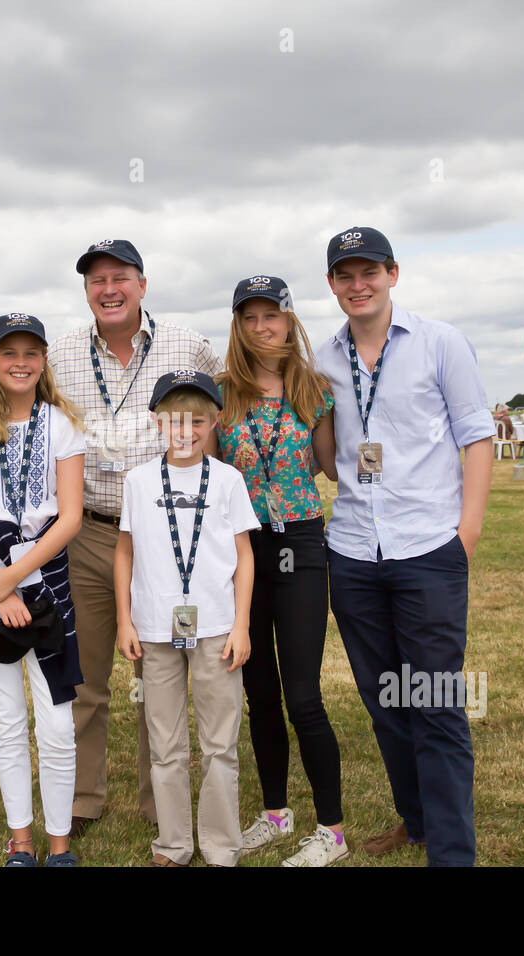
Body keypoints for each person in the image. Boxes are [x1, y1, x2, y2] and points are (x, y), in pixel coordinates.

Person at [314, 227, 494, 866]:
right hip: (355, 551)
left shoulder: (441, 343)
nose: (357, 285)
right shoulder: (325, 360)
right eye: (345, 275)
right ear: (332, 285)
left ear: (393, 273)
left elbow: (477, 436)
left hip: (428, 547)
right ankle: (415, 822)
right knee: (385, 700)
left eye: (369, 272)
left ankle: (451, 853)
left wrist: (465, 534)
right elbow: (332, 461)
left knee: (436, 703)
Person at [46, 239, 221, 837]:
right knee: (87, 677)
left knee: (162, 679)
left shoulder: (187, 346)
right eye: (96, 280)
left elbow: (224, 409)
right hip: (90, 531)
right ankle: (83, 797)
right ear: (86, 291)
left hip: (169, 533)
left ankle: (161, 801)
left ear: (143, 284)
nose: (109, 288)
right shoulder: (61, 354)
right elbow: (18, 402)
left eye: (120, 276)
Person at [209, 275, 348, 867]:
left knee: (302, 694)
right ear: (238, 325)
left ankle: (331, 832)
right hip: (242, 550)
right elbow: (212, 475)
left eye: (273, 315)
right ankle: (274, 813)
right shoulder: (221, 392)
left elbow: (333, 466)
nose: (262, 326)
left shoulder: (315, 390)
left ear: (290, 320)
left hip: (301, 545)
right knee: (258, 692)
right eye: (251, 317)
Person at [0, 313, 86, 867]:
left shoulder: (61, 423)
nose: (21, 362)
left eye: (31, 351)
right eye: (9, 352)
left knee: (55, 721)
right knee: (7, 720)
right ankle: (21, 843)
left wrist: (17, 576)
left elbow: (70, 517)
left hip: (44, 577)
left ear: (44, 359)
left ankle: (59, 845)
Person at [115, 370, 257, 866]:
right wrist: (124, 620)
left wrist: (241, 625)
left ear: (214, 421)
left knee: (220, 742)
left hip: (216, 628)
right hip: (155, 627)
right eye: (174, 419)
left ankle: (220, 846)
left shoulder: (228, 480)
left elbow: (244, 556)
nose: (185, 429)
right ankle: (173, 844)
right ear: (157, 422)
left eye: (197, 420)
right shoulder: (137, 481)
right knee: (164, 740)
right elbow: (124, 553)